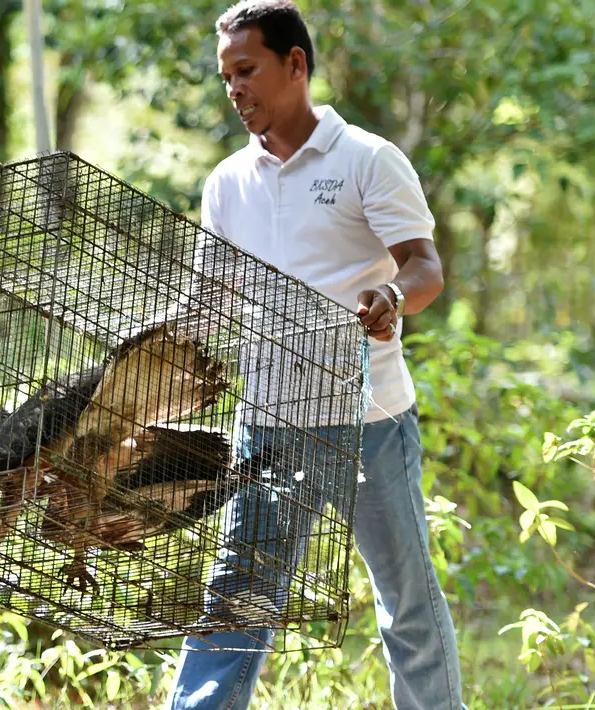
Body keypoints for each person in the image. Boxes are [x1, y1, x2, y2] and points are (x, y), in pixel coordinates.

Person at [166, 2, 466, 709]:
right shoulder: (227, 182)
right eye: (225, 77)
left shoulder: (366, 158)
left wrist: (391, 296)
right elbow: (207, 306)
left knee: (406, 600)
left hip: (368, 422)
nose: (235, 89)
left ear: (294, 65)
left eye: (247, 71)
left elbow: (424, 267)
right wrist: (138, 350)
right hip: (265, 423)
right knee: (234, 599)